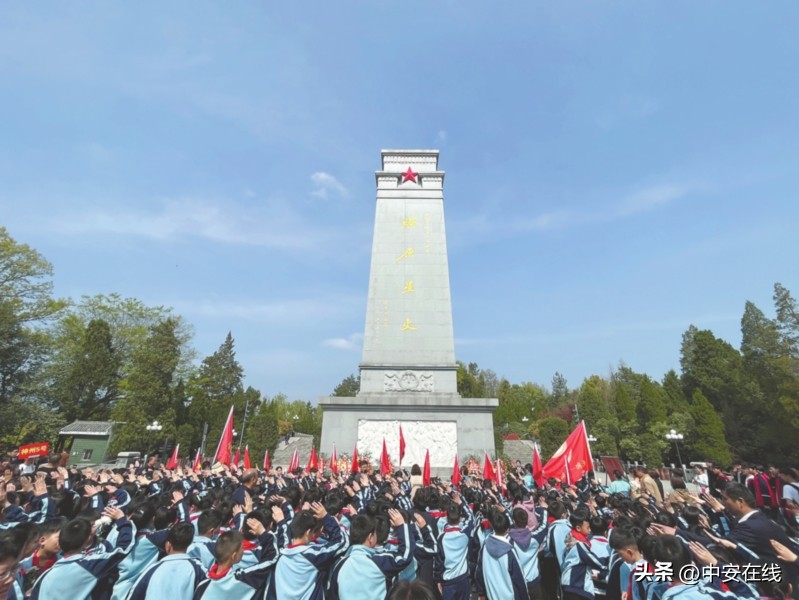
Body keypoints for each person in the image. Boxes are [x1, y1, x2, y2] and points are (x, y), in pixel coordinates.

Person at [29, 505, 133, 599]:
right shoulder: (90, 566)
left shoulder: (46, 575)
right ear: (87, 540)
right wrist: (122, 521)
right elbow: (123, 549)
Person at [330, 509, 415, 600]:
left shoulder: (339, 565)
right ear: (370, 537)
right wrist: (401, 525)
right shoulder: (378, 563)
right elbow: (405, 556)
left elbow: (332, 595)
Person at [268, 501, 344, 600]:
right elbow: (341, 542)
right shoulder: (312, 555)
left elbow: (283, 538)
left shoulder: (280, 554)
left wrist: (281, 521)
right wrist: (326, 518)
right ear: (308, 532)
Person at [125, 522, 205, 600]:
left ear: (168, 545)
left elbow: (134, 595)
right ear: (190, 543)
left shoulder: (152, 570)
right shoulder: (199, 570)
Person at [475, 507, 528, 600]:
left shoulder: (485, 545)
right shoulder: (509, 551)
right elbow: (519, 580)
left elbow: (479, 571)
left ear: (492, 526)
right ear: (508, 529)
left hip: (491, 595)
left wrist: (481, 592)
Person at [434, 495, 476, 600]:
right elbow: (471, 517)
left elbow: (439, 561)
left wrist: (438, 579)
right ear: (460, 517)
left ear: (447, 518)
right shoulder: (464, 534)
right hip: (463, 578)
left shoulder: (442, 538)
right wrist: (461, 503)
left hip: (448, 580)